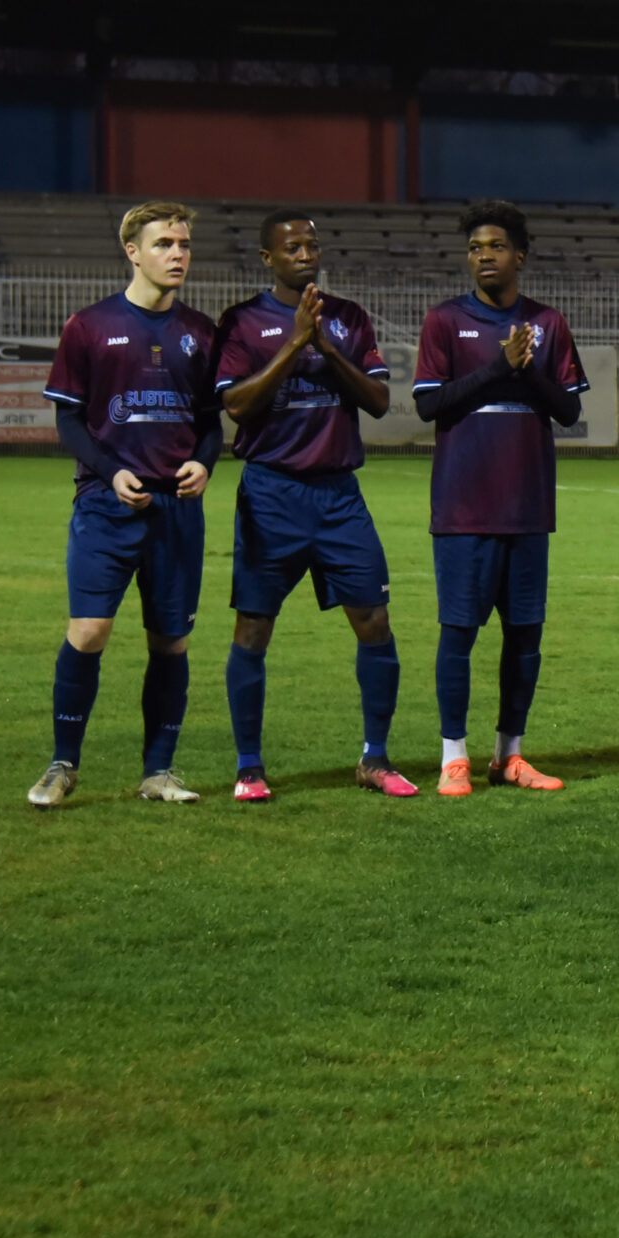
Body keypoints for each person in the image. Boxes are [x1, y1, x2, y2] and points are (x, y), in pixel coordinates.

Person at [29, 201, 223, 808]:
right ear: (132, 252)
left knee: (171, 641)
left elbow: (211, 423)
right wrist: (111, 473)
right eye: (164, 243)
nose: (178, 254)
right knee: (89, 631)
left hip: (177, 511)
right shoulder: (89, 326)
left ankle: (158, 772)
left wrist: (205, 462)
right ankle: (62, 764)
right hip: (105, 505)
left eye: (184, 244)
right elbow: (68, 421)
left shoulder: (201, 332)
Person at [212, 212, 405, 799]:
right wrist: (296, 342)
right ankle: (249, 767)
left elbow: (378, 400)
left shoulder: (348, 318)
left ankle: (375, 758)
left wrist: (325, 345)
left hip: (339, 494)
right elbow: (236, 405)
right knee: (254, 626)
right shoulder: (242, 321)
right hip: (272, 494)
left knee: (374, 620)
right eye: (292, 246)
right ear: (267, 258)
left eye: (312, 245)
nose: (305, 254)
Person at [411, 201, 588, 797]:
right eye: (475, 248)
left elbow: (568, 410)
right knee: (459, 634)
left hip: (528, 507)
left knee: (525, 636)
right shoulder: (445, 321)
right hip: (463, 507)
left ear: (520, 255)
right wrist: (498, 366)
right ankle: (453, 757)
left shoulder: (548, 323)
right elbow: (429, 405)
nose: (483, 256)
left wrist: (528, 370)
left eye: (495, 246)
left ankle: (510, 754)